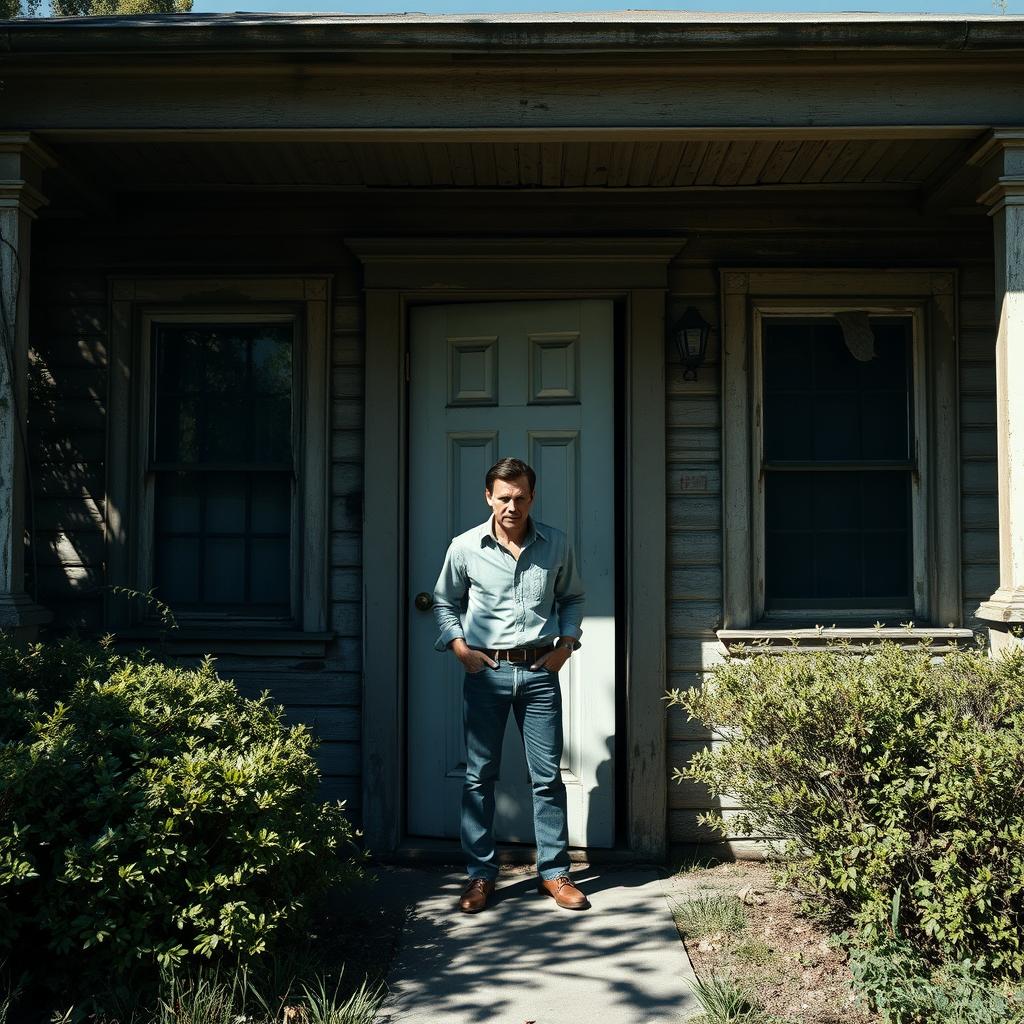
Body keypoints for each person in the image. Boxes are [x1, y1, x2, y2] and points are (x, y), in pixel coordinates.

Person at [432, 456, 589, 913]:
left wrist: (566, 646)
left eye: (521, 497)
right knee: (479, 778)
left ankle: (555, 874)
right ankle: (480, 876)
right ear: (489, 497)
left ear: (532, 497)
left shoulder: (555, 544)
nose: (512, 506)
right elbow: (444, 603)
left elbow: (573, 597)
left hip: (540, 674)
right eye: (504, 497)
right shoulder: (464, 547)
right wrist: (459, 648)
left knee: (546, 778)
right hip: (488, 675)